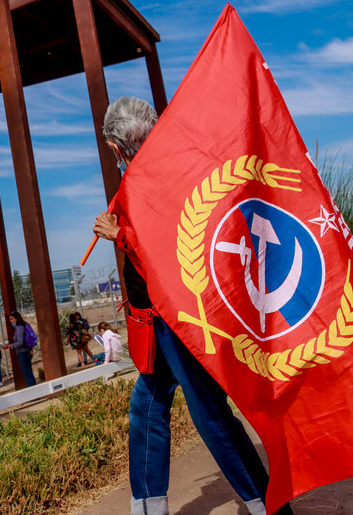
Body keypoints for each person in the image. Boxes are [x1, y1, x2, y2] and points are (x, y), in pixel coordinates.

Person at [93, 96, 291, 515]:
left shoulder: (148, 183)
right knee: (148, 406)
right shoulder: (170, 172)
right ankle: (149, 505)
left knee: (209, 412)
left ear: (114, 147)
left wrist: (119, 235)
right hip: (161, 318)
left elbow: (162, 254)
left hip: (177, 316)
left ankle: (268, 505)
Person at [2, 311, 37, 387]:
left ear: (16, 319)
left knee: (27, 374)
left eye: (12, 319)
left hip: (22, 353)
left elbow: (20, 342)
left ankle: (32, 390)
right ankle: (35, 389)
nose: (10, 321)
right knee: (29, 373)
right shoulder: (23, 326)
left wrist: (9, 346)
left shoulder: (19, 328)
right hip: (26, 352)